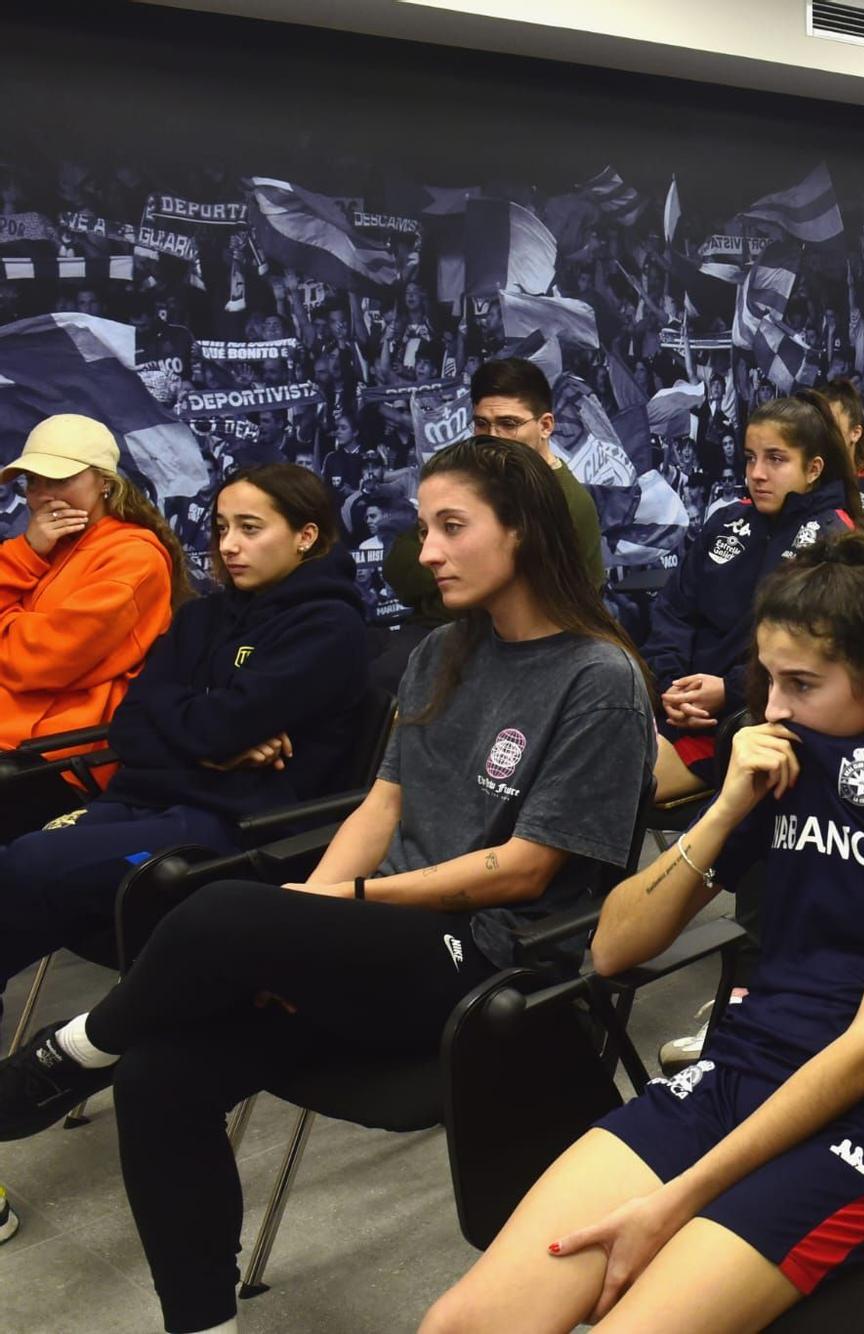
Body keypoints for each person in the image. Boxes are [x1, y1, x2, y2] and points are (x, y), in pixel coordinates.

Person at [0, 436, 657, 1334]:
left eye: (451, 527)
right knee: (159, 1075)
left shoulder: (598, 678)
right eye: (423, 527)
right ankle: (202, 1321)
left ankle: (72, 1054)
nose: (425, 552)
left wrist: (330, 913)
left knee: (220, 908)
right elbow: (382, 807)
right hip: (384, 946)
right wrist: (308, 921)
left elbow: (525, 868)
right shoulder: (441, 654)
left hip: (494, 959)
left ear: (523, 533)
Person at [422, 530, 864, 1333]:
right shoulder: (781, 767)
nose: (774, 710)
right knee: (460, 1324)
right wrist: (727, 807)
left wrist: (678, 1201)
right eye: (768, 679)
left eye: (802, 684)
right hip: (732, 1075)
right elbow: (612, 948)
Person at [0, 463, 369, 992]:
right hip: (143, 801)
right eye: (221, 528)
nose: (229, 546)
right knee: (20, 873)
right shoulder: (201, 617)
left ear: (305, 536)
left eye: (250, 528)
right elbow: (129, 727)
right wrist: (208, 732)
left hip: (233, 829)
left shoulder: (330, 625)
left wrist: (192, 722)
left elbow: (209, 727)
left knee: (30, 863)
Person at [645, 393, 863, 801]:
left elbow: (816, 656)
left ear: (813, 469)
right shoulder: (725, 523)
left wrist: (729, 691)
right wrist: (669, 685)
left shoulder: (836, 540)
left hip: (755, 720)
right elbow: (673, 611)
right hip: (677, 707)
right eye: (750, 458)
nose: (757, 474)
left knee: (608, 790)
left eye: (775, 459)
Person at [1, 415, 192, 773]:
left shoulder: (134, 558)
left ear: (105, 482)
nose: (41, 496)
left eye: (60, 480)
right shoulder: (44, 545)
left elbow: (37, 663)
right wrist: (25, 552)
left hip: (52, 757)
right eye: (33, 482)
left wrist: (13, 621)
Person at [383, 357, 607, 632]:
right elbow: (398, 569)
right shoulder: (468, 479)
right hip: (437, 635)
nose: (492, 436)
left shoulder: (565, 501)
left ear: (546, 426)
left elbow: (511, 604)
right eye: (481, 424)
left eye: (508, 423)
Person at [820, 377, 864, 522]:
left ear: (855, 433)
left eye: (832, 425)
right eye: (819, 423)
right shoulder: (805, 484)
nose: (824, 432)